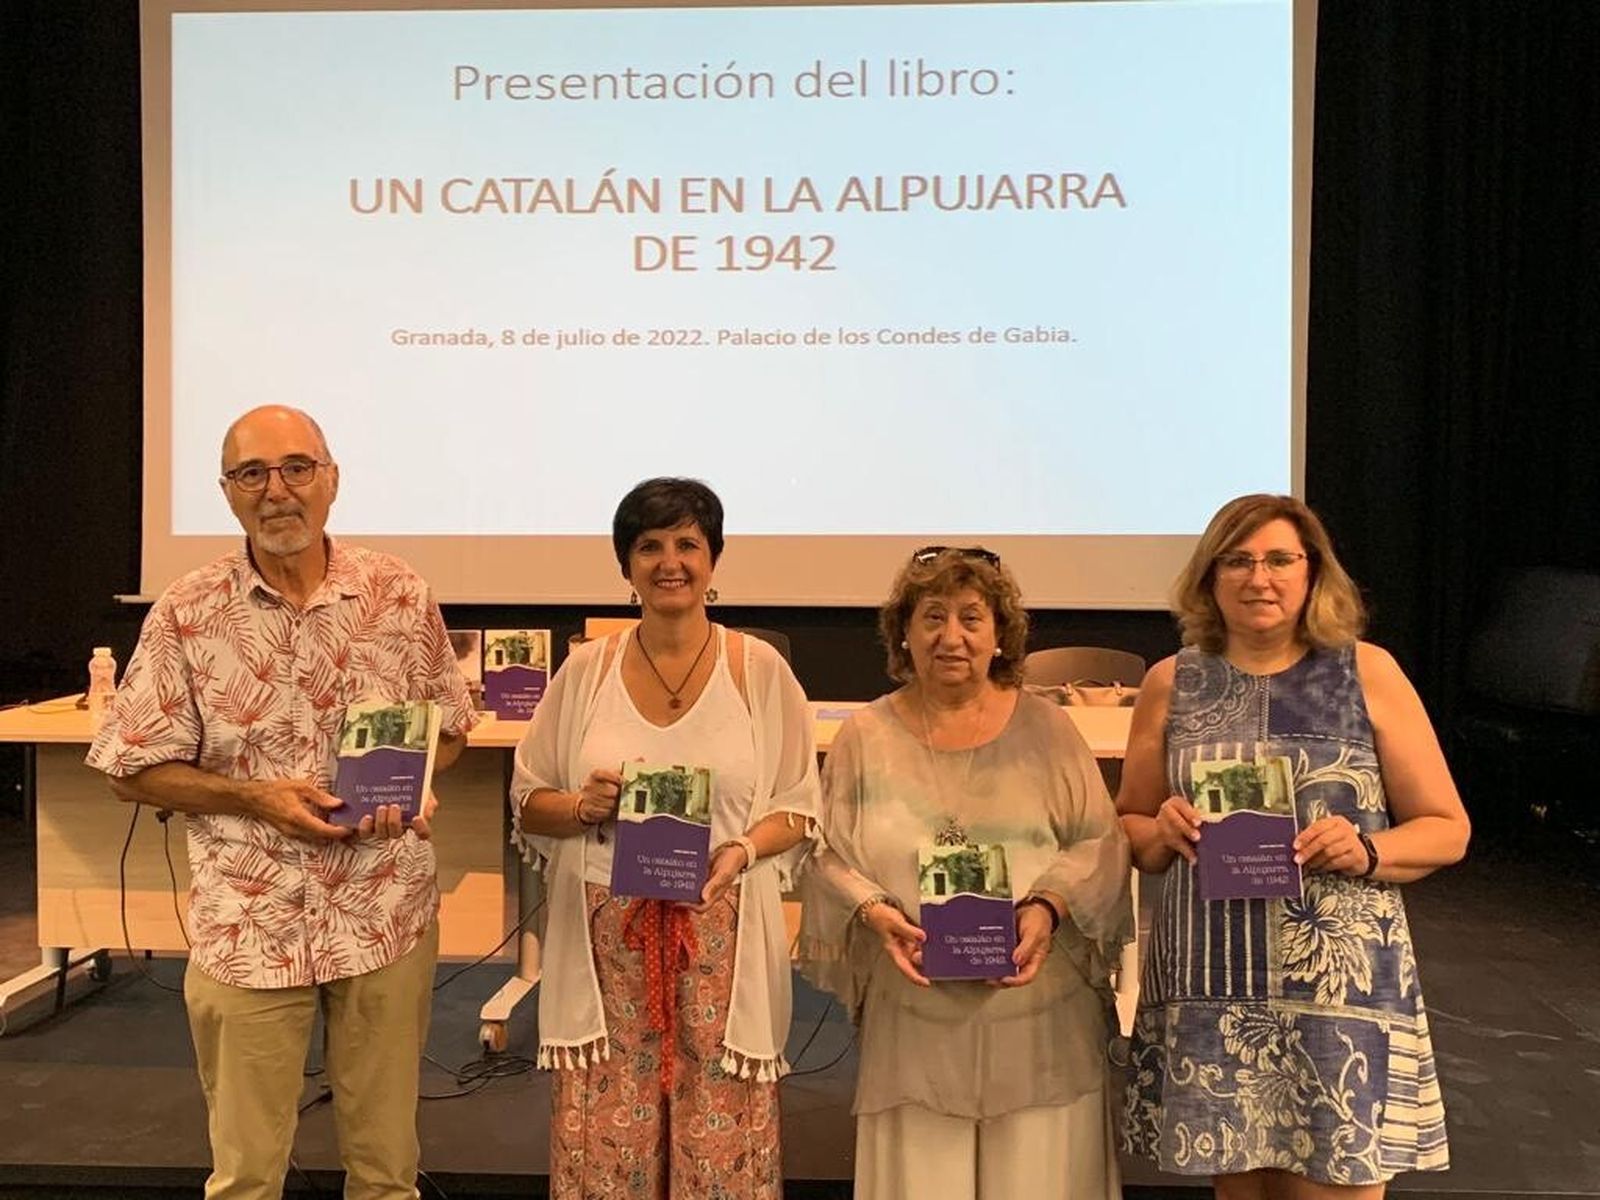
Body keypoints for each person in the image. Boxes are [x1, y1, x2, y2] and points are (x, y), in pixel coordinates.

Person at [86, 405, 476, 1200]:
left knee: (387, 1172)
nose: (277, 491)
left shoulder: (398, 595)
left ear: (331, 480)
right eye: (251, 474)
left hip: (382, 913)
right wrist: (254, 797)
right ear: (226, 493)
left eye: (297, 468)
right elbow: (129, 765)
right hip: (249, 926)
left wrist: (419, 780)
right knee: (246, 1177)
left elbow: (453, 727)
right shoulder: (188, 611)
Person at [1117, 494, 1471, 1199]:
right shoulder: (1172, 682)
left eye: (1281, 559)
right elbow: (1131, 822)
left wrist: (1366, 849)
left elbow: (1447, 828)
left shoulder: (1366, 672)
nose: (1260, 578)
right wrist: (1161, 829)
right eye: (1239, 561)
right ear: (1210, 577)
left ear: (1313, 573)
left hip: (1336, 990)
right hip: (1212, 983)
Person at [510, 477, 819, 1200]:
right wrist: (583, 806)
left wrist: (742, 849)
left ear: (713, 559)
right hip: (606, 934)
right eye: (649, 546)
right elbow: (528, 802)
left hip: (724, 929)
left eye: (688, 543)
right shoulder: (587, 671)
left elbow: (803, 805)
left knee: (721, 1122)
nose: (669, 561)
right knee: (609, 1124)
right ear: (626, 566)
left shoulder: (759, 671)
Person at [797, 546, 1133, 1200]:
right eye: (932, 617)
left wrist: (1047, 907)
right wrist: (874, 911)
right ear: (904, 630)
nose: (952, 636)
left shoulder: (1049, 730)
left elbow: (1100, 842)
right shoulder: (865, 736)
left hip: (1038, 1013)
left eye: (972, 618)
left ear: (1000, 634)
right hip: (915, 1010)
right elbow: (826, 854)